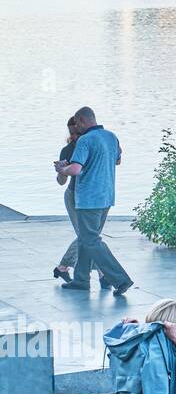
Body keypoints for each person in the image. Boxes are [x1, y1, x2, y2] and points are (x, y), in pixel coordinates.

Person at [54, 107, 132, 296]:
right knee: (85, 239)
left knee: (91, 240)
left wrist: (61, 169)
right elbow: (117, 161)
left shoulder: (85, 140)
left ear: (81, 121)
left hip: (89, 198)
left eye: (77, 124)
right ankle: (81, 280)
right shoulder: (111, 137)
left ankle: (121, 280)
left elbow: (75, 170)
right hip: (106, 196)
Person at [52, 115, 98, 285]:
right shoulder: (67, 150)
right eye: (71, 133)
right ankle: (102, 273)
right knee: (87, 236)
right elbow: (61, 182)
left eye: (76, 132)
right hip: (73, 196)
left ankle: (63, 267)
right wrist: (61, 170)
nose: (73, 136)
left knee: (89, 237)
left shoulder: (91, 143)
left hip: (90, 196)